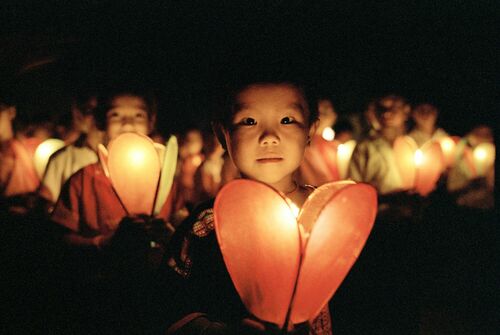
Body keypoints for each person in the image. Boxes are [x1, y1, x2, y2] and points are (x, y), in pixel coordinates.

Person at [162, 77, 332, 334]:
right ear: (222, 134)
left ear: (310, 131)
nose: (269, 137)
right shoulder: (208, 225)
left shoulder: (330, 216)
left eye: (287, 120)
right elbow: (168, 301)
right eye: (249, 121)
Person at [39, 94, 104, 205]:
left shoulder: (127, 155)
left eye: (102, 110)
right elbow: (45, 203)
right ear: (77, 114)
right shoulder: (62, 159)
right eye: (89, 111)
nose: (96, 117)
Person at [297, 97, 340, 186]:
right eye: (321, 112)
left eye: (328, 111)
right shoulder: (303, 145)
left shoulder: (335, 146)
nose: (324, 116)